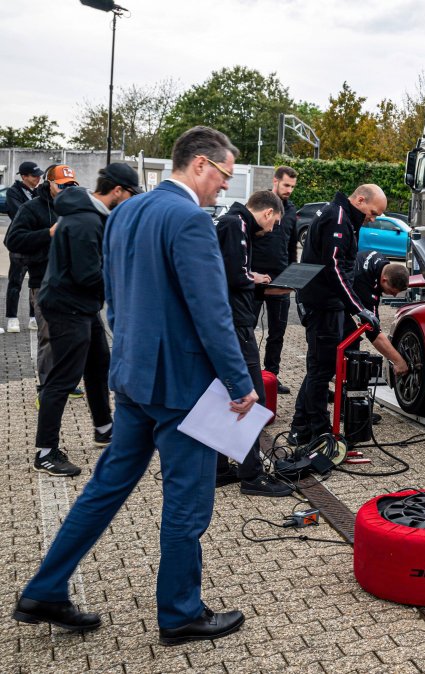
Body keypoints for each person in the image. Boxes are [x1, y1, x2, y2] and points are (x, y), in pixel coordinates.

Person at [11, 126, 255, 645]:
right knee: (187, 501)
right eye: (225, 174)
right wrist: (239, 382)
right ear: (201, 164)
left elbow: (116, 295)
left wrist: (127, 352)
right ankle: (180, 613)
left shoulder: (125, 211)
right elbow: (212, 312)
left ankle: (46, 588)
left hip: (134, 378)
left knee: (106, 486)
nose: (224, 186)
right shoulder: (191, 219)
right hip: (182, 388)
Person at [31, 163, 140, 477]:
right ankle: (45, 452)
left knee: (98, 365)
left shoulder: (92, 215)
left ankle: (104, 428)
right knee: (62, 379)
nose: (130, 201)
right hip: (67, 307)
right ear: (117, 190)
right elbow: (87, 275)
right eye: (130, 194)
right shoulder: (85, 221)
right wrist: (124, 278)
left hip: (82, 306)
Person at [289, 184, 387, 445]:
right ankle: (317, 433)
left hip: (328, 303)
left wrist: (352, 308)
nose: (372, 219)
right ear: (360, 200)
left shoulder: (340, 215)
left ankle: (303, 427)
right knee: (320, 370)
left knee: (322, 367)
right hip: (322, 305)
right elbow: (334, 268)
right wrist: (358, 308)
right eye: (373, 213)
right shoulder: (338, 218)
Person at [214, 190, 292, 497]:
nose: (272, 230)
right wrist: (255, 279)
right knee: (251, 396)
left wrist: (251, 278)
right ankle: (252, 476)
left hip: (229, 322)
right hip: (236, 324)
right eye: (274, 223)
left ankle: (220, 468)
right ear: (268, 213)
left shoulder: (232, 223)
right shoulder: (237, 225)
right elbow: (233, 276)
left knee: (227, 396)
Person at [7, 164, 77, 389]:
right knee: (48, 337)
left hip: (71, 283)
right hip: (44, 282)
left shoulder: (75, 207)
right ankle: (47, 389)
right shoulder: (31, 208)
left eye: (71, 186)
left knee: (71, 336)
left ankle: (66, 383)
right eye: (62, 186)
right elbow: (13, 240)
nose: (67, 190)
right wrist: (48, 233)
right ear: (49, 183)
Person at [251, 166, 300, 394]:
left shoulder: (292, 211)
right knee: (247, 329)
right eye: (286, 185)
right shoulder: (261, 205)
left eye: (292, 186)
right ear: (275, 181)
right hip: (254, 279)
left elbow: (292, 245)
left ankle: (272, 376)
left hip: (281, 281)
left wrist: (293, 275)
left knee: (277, 332)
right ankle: (250, 376)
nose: (289, 190)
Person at [349, 249, 410, 375]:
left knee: (351, 338)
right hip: (323, 301)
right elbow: (373, 332)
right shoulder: (364, 283)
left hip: (341, 290)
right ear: (384, 280)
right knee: (348, 340)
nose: (394, 296)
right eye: (392, 291)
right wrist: (398, 361)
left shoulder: (382, 263)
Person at [4, 161, 43, 333]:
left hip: (36, 242)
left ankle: (34, 317)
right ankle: (12, 318)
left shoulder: (38, 192)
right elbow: (18, 214)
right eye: (34, 176)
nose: (38, 179)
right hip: (20, 243)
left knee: (36, 281)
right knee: (15, 281)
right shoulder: (13, 192)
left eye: (39, 176)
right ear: (24, 176)